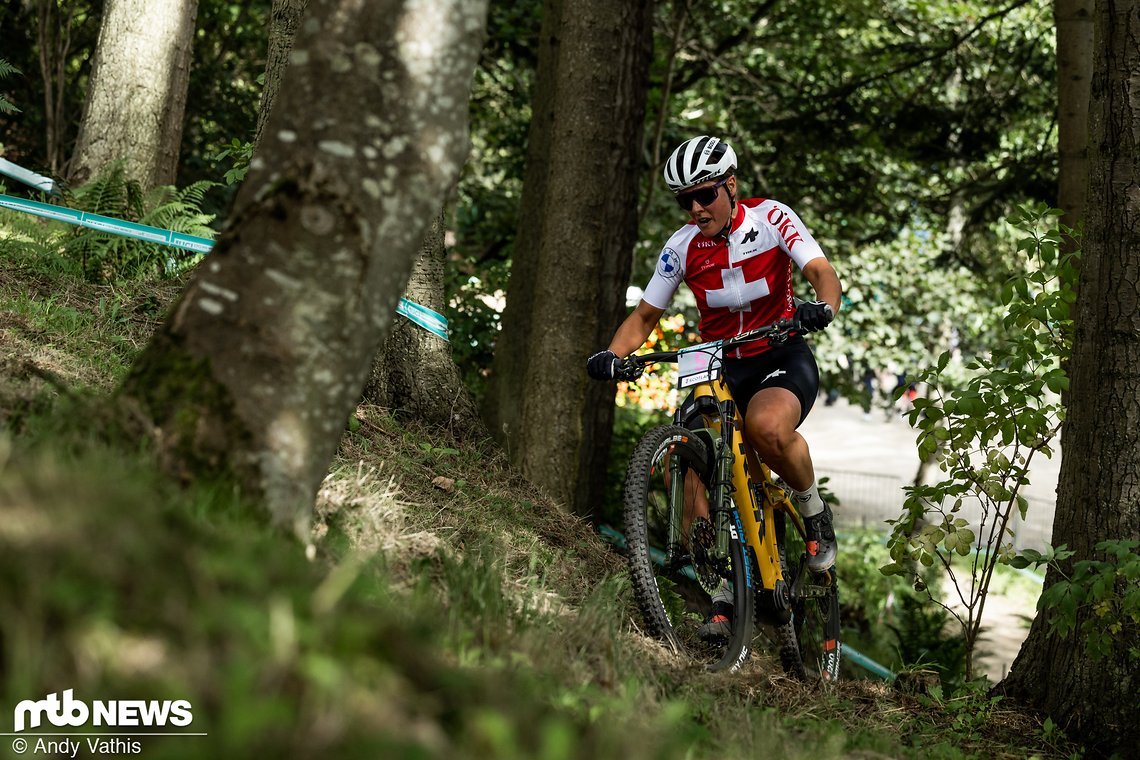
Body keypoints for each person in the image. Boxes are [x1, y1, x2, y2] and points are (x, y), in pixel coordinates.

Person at [586, 135, 843, 638]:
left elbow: (819, 270)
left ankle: (813, 511)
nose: (696, 208)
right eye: (685, 201)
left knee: (766, 428)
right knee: (681, 462)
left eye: (704, 195)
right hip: (717, 364)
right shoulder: (681, 247)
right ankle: (724, 587)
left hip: (778, 354)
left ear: (731, 185)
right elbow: (644, 316)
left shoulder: (772, 218)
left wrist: (824, 305)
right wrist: (613, 357)